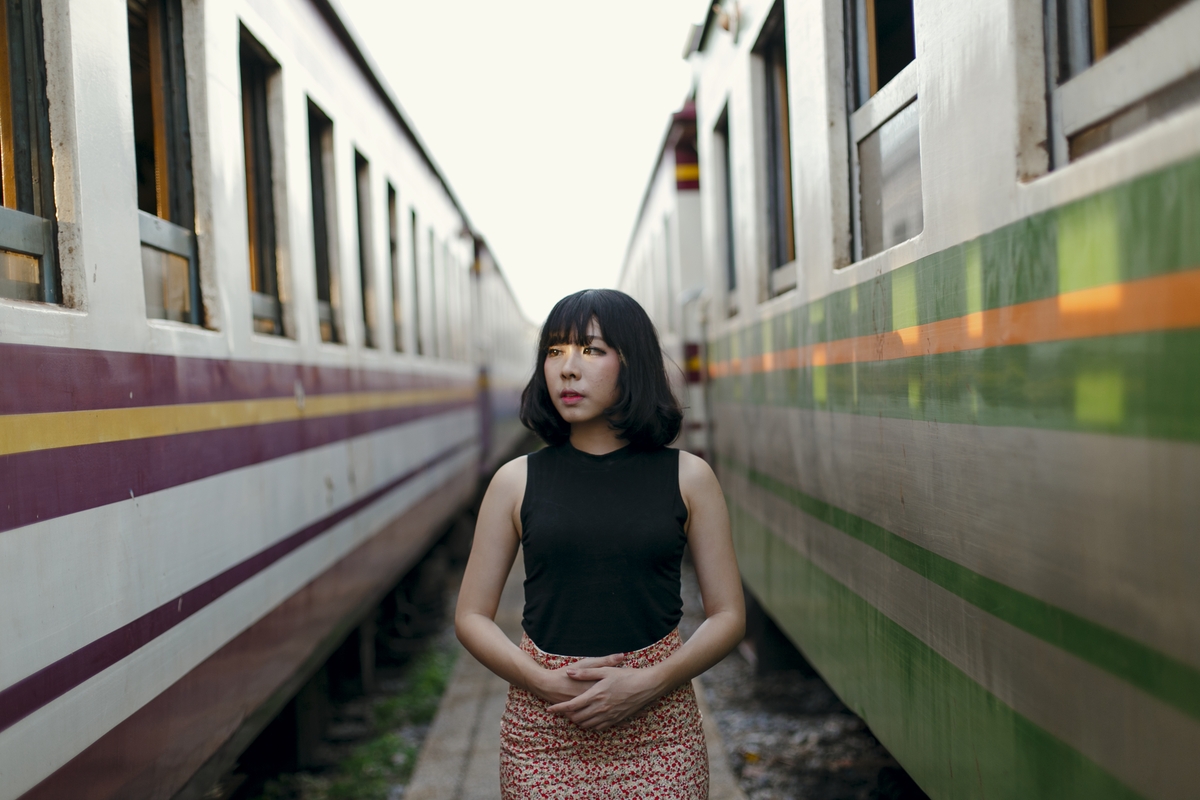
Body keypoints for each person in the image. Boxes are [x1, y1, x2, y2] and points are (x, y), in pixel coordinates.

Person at [455, 289, 745, 799]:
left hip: (659, 732)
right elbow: (471, 617)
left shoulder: (690, 477)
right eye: (554, 351)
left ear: (632, 363)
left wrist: (650, 682)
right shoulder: (514, 481)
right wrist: (542, 682)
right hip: (543, 733)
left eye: (590, 350)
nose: (567, 368)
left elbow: (727, 617)